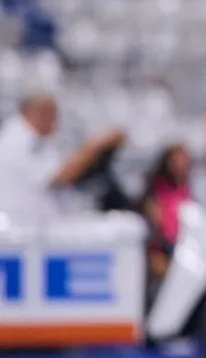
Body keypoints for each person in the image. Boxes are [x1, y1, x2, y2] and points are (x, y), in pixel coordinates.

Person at [0, 92, 126, 221]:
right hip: (25, 224)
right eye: (52, 115)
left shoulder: (24, 135)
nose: (55, 122)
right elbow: (59, 177)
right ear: (38, 113)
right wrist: (95, 145)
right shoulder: (23, 139)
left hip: (34, 222)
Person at [138, 143, 193, 282]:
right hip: (161, 247)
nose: (181, 165)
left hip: (183, 245)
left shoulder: (185, 188)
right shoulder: (157, 188)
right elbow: (155, 218)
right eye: (177, 160)